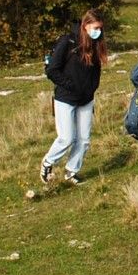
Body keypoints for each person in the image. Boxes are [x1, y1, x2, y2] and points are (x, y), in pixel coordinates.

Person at [40, 10, 106, 186]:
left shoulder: (95, 44)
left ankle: (72, 171)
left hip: (86, 99)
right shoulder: (67, 42)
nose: (98, 31)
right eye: (96, 28)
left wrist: (92, 87)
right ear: (86, 25)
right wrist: (70, 85)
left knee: (84, 139)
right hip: (65, 98)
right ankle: (48, 163)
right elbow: (52, 70)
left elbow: (96, 70)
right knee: (66, 138)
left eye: (100, 28)